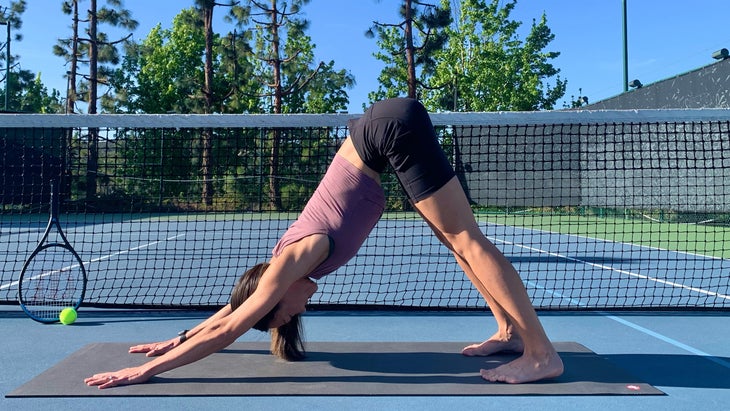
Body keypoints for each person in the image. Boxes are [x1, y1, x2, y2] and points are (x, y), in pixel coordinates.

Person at [84, 98, 563, 388]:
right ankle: (509, 332)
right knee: (452, 240)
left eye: (287, 313)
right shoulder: (282, 269)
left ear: (273, 294)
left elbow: (229, 330)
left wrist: (149, 372)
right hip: (382, 131)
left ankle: (541, 353)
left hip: (388, 131)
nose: (300, 312)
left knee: (465, 237)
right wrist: (175, 338)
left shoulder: (295, 258)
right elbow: (228, 314)